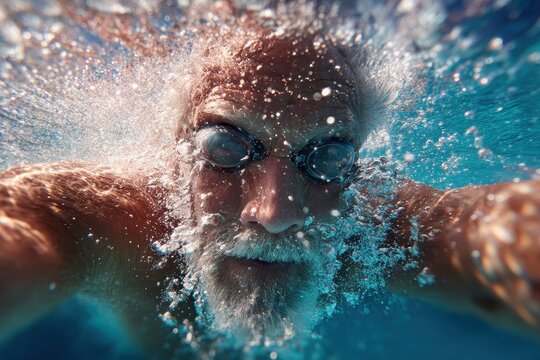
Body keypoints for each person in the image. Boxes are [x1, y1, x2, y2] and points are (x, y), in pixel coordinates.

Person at [1, 4, 539, 359]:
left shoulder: (374, 226)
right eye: (225, 147)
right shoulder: (102, 216)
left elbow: (493, 232)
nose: (278, 212)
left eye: (326, 158)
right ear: (175, 153)